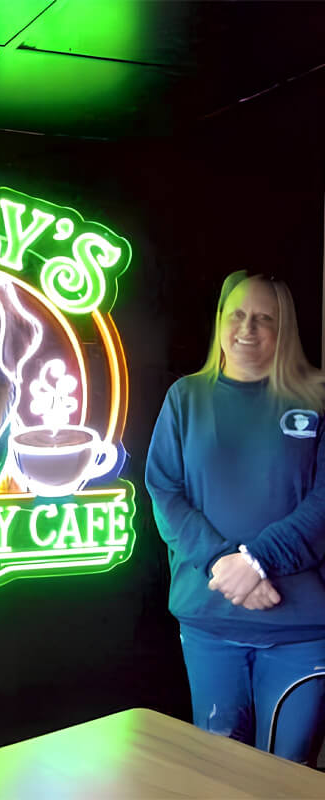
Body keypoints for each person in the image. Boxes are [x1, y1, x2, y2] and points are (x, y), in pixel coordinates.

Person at [145, 270, 325, 764]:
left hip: (299, 630)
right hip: (210, 623)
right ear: (220, 320)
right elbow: (164, 490)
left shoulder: (318, 398)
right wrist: (222, 562)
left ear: (284, 328)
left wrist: (259, 561)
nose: (248, 328)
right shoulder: (185, 398)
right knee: (219, 775)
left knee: (287, 778)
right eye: (238, 314)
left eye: (265, 318)